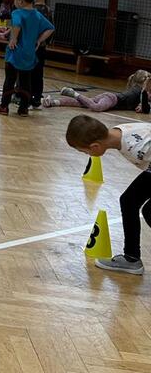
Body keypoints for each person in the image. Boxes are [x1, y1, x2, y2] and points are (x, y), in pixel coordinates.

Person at [67, 114, 151, 274]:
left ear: (95, 147)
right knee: (129, 201)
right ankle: (131, 258)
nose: (87, 155)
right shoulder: (120, 132)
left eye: (85, 152)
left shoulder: (138, 147)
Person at [0, 0, 54, 117]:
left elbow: (17, 25)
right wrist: (39, 40)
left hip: (15, 53)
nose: (14, 2)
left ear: (20, 0)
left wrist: (13, 39)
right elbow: (50, 28)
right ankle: (23, 108)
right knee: (26, 81)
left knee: (10, 79)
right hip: (29, 53)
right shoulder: (37, 14)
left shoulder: (17, 12)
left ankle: (4, 106)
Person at [45, 70, 151, 111]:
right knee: (96, 107)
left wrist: (142, 105)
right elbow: (146, 108)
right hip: (111, 99)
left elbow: (146, 105)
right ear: (145, 82)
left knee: (82, 103)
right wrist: (143, 105)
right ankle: (73, 93)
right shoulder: (140, 91)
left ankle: (53, 102)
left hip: (109, 98)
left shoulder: (140, 92)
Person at [29, 0, 53, 109]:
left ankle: (25, 97)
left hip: (31, 47)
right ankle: (37, 98)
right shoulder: (48, 9)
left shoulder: (33, 10)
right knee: (38, 74)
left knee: (28, 73)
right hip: (42, 48)